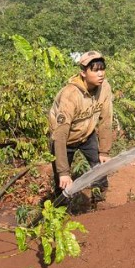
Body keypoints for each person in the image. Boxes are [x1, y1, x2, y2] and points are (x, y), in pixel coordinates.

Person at [48, 50, 114, 200]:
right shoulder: (70, 95)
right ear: (83, 72)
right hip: (65, 140)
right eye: (95, 70)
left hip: (87, 134)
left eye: (102, 69)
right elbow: (60, 134)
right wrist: (64, 172)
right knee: (62, 182)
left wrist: (104, 151)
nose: (101, 74)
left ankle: (98, 202)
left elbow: (106, 120)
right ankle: (60, 211)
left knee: (100, 169)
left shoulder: (105, 88)